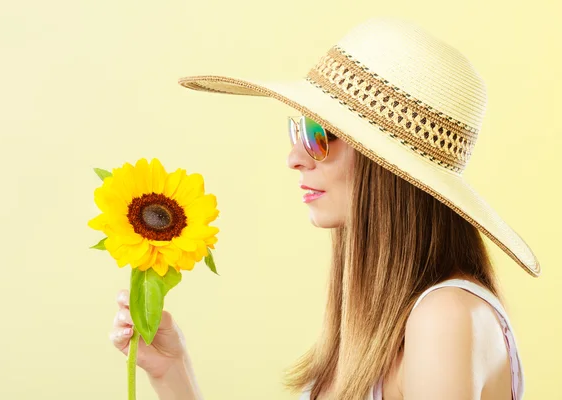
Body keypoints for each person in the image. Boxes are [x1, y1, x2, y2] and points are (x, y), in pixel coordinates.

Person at [109, 17, 540, 400]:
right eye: (297, 127)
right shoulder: (375, 323)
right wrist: (172, 373)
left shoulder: (444, 318)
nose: (295, 156)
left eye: (320, 133)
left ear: (388, 168)